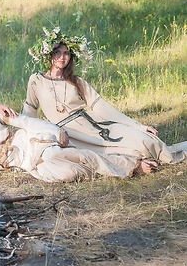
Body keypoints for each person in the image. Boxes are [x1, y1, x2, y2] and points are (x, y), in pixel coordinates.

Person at [0, 80, 153, 183]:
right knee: (61, 174)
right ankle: (114, 167)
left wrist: (54, 131)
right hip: (20, 162)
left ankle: (132, 166)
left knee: (59, 156)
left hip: (29, 142)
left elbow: (23, 122)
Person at [23, 27, 186, 173]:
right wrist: (26, 137)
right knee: (99, 154)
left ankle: (157, 156)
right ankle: (138, 166)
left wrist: (139, 126)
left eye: (66, 53)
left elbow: (102, 107)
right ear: (48, 55)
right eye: (57, 52)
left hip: (94, 125)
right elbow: (29, 113)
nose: (62, 57)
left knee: (143, 139)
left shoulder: (77, 81)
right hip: (69, 134)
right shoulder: (36, 80)